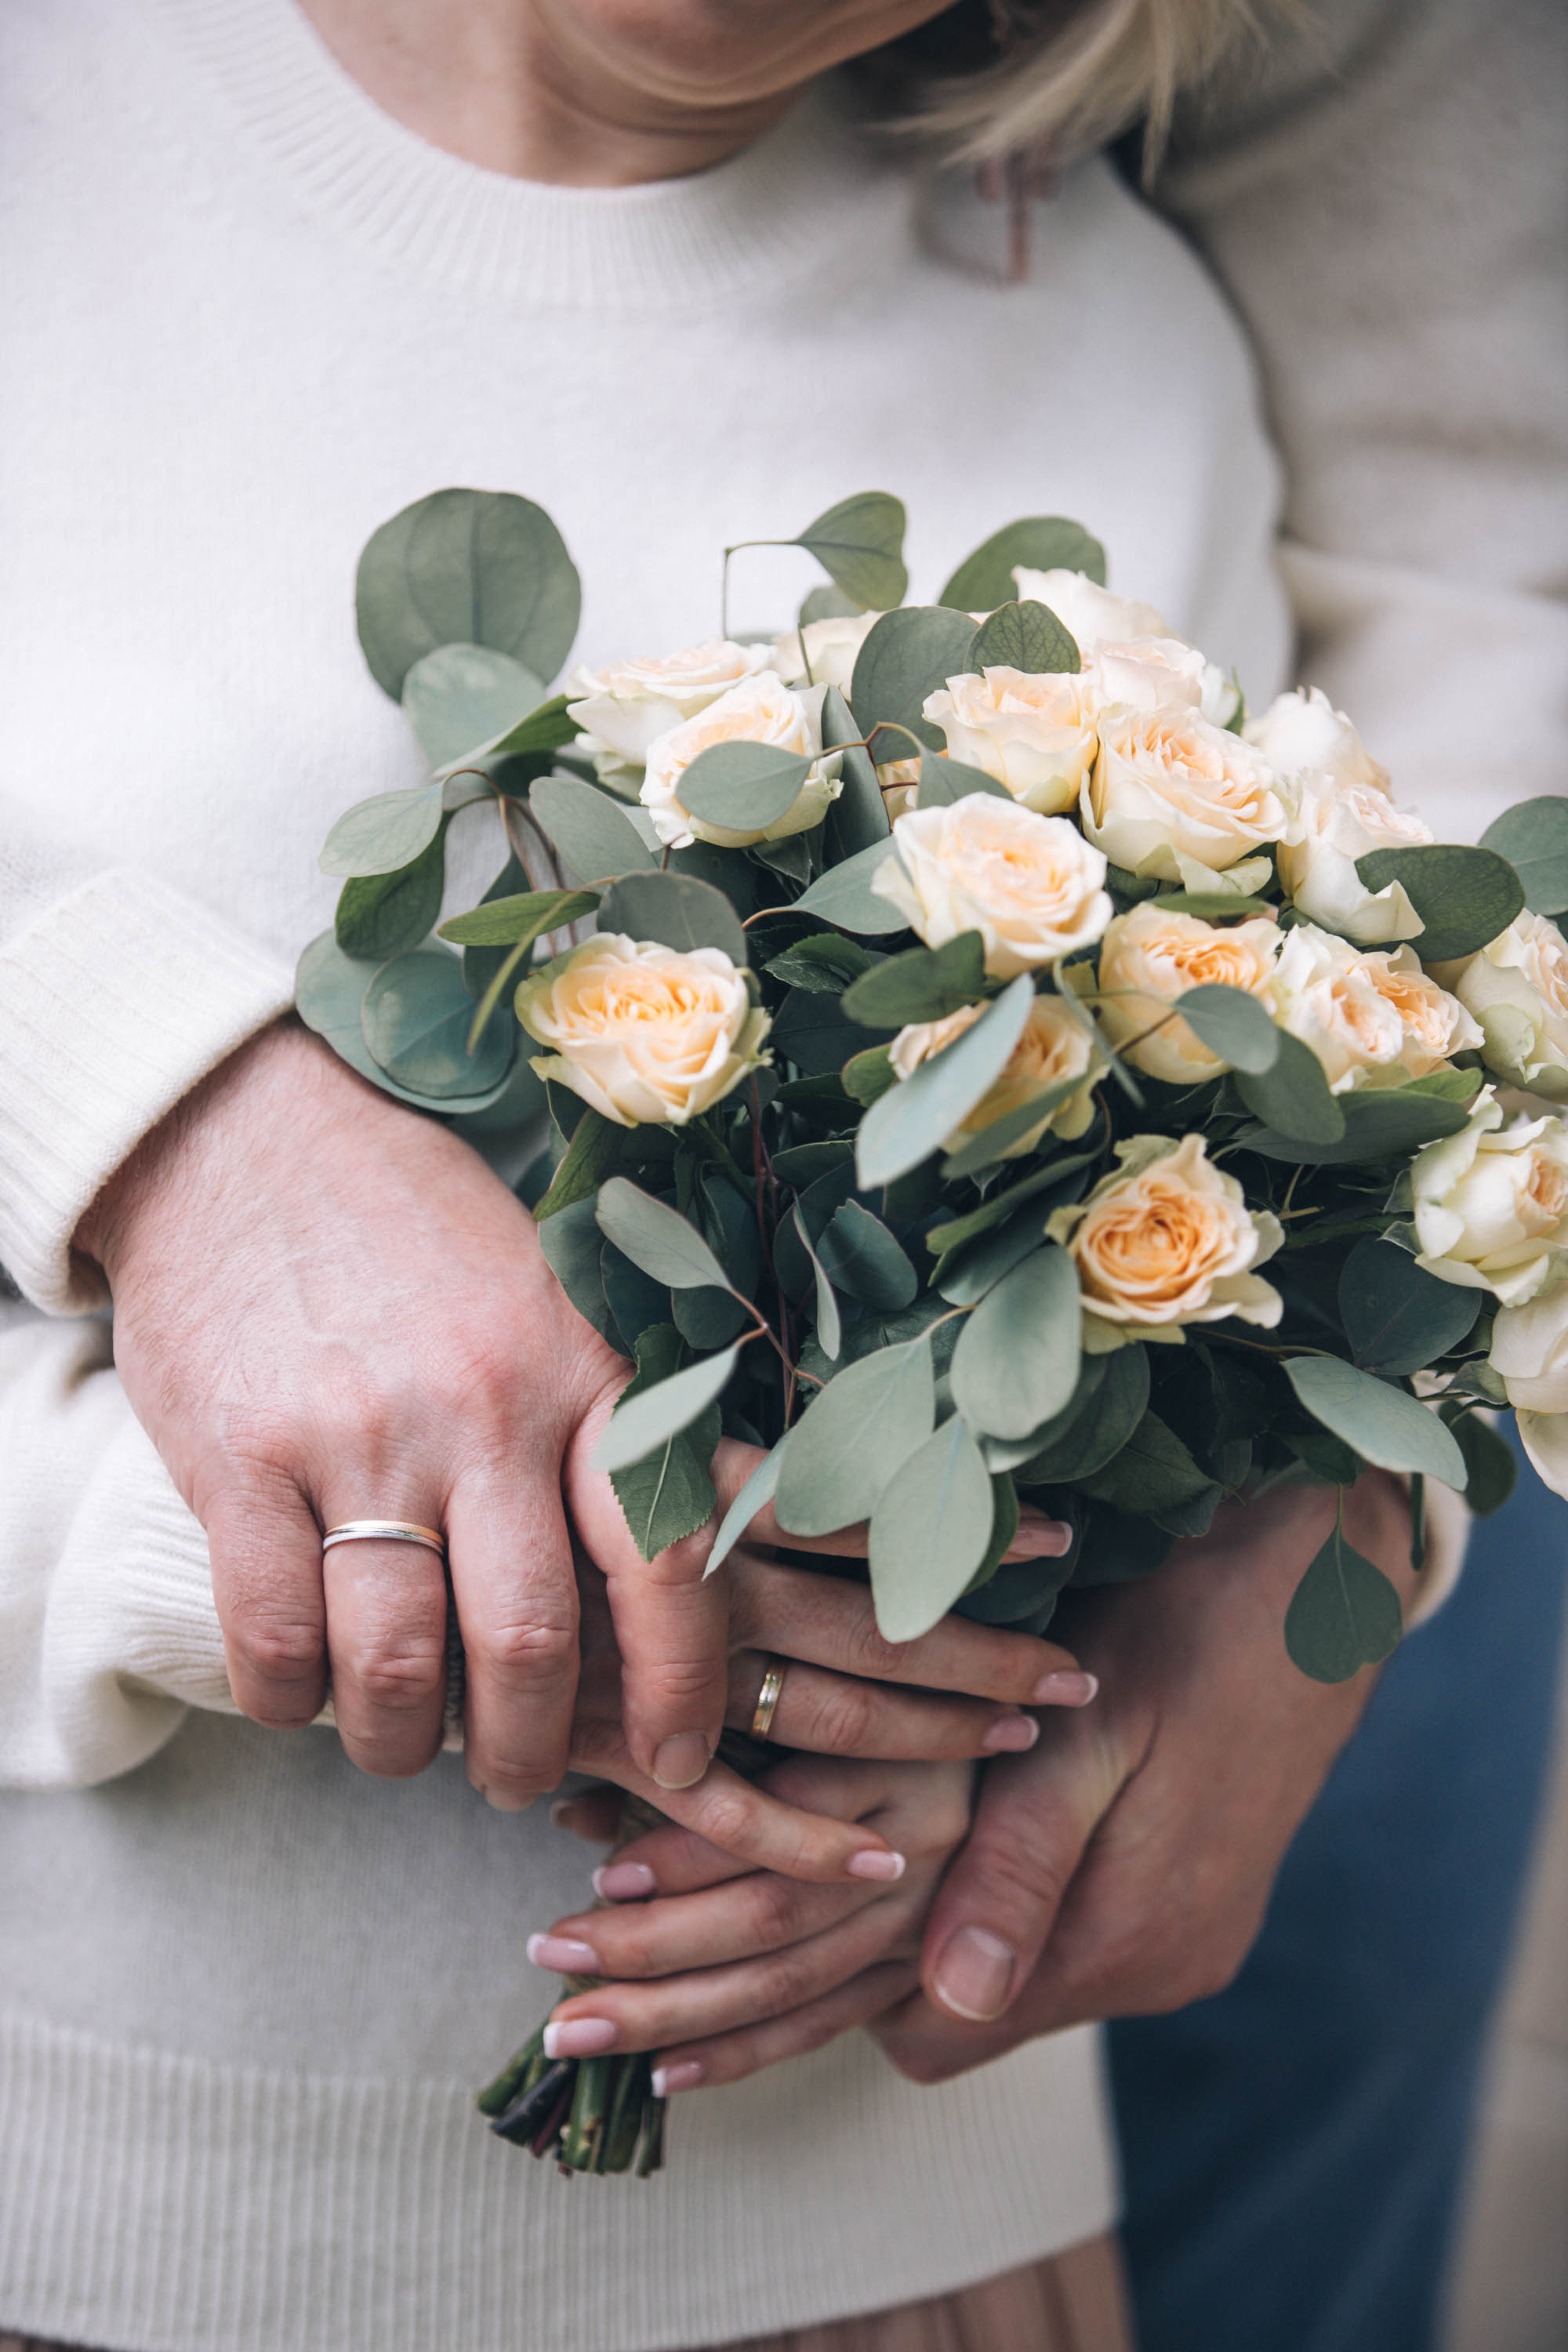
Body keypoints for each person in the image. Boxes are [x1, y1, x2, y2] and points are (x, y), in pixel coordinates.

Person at [0, 5, 1526, 2352]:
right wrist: (204, 1557)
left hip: (882, 2247)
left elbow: (1227, 1344)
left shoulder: (1115, 367)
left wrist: (1016, 1726)